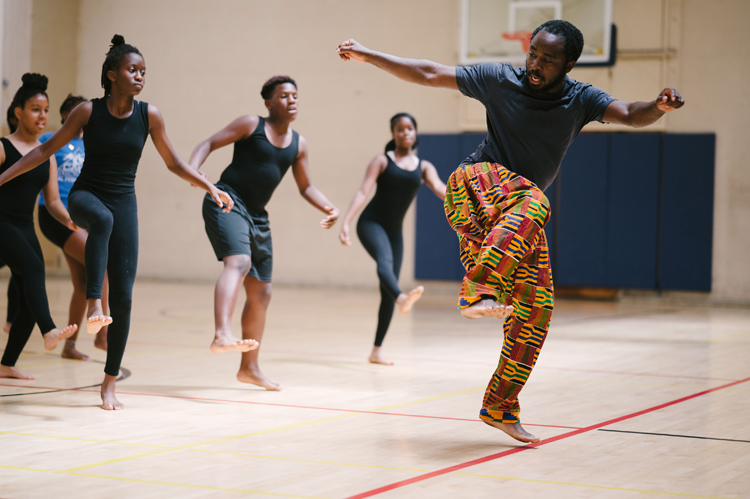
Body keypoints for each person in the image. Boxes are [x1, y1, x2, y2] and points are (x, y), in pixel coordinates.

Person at [336, 19, 684, 443]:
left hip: (510, 224)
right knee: (536, 201)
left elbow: (631, 114)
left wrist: (659, 107)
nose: (535, 64)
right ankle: (477, 288)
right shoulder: (499, 79)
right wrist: (369, 54)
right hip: (473, 187)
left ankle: (500, 405)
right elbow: (429, 72)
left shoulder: (583, 99)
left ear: (569, 63)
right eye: (532, 53)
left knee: (537, 310)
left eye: (548, 59)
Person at [0, 35, 234, 410]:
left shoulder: (149, 115)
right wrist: (2, 177)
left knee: (123, 298)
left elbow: (173, 162)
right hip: (85, 197)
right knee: (102, 220)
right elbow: (45, 149)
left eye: (143, 71)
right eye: (132, 70)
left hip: (125, 203)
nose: (139, 76)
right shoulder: (87, 112)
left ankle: (109, 382)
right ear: (112, 75)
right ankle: (95, 303)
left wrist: (209, 185)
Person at [189, 76, 339, 391]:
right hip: (226, 200)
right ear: (269, 103)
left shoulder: (299, 144)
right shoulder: (250, 124)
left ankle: (249, 368)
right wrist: (194, 171)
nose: (292, 100)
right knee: (239, 262)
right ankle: (221, 333)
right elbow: (208, 143)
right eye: (284, 95)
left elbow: (306, 186)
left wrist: (329, 207)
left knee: (262, 292)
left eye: (295, 95)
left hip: (258, 216)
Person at [339, 113, 445, 365]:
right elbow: (363, 191)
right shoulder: (381, 161)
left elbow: (442, 189)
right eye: (399, 129)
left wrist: (470, 201)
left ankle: (376, 351)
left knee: (386, 288)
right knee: (384, 264)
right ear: (393, 134)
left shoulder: (424, 167)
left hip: (394, 231)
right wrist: (346, 221)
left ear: (415, 133)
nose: (405, 133)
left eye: (409, 129)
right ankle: (401, 298)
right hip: (370, 224)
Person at [0, 73, 79, 380]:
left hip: (24, 227)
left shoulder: (47, 156)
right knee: (35, 269)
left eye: (45, 110)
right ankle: (50, 330)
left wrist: (69, 218)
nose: (43, 116)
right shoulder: (4, 147)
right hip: (2, 223)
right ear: (18, 111)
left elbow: (53, 200)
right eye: (35, 109)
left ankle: (6, 364)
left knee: (26, 300)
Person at [38, 94, 108, 360]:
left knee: (82, 284)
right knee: (101, 269)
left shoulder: (88, 144)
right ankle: (102, 335)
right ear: (66, 114)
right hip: (55, 215)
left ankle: (70, 346)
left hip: (81, 218)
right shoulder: (50, 140)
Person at [2, 104, 20, 334]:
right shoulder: (4, 146)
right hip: (4, 222)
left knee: (23, 271)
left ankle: (10, 322)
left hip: (20, 224)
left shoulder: (37, 148)